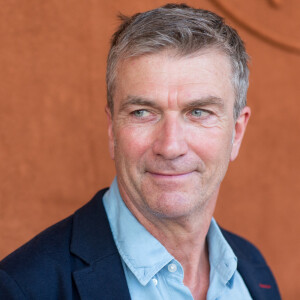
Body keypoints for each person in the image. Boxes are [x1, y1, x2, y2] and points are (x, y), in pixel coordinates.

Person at [0, 3, 281, 300]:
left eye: (198, 112)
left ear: (236, 133)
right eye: (142, 112)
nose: (170, 147)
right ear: (112, 130)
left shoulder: (253, 271)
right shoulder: (23, 287)